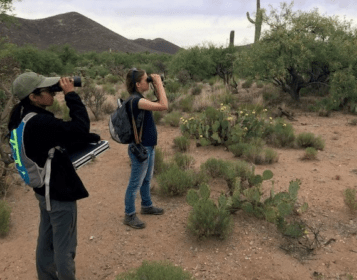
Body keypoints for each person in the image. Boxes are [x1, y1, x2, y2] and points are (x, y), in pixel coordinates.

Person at [8, 72, 99, 280]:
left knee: (46, 240)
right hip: (58, 194)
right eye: (48, 90)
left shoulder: (20, 114)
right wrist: (71, 95)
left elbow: (49, 141)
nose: (53, 93)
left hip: (42, 189)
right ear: (33, 96)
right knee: (64, 247)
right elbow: (80, 127)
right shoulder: (40, 123)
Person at [123, 68, 168, 229]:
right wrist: (159, 83)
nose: (147, 82)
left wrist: (156, 85)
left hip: (148, 147)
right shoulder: (136, 101)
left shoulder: (140, 99)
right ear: (137, 84)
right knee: (135, 183)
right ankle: (129, 215)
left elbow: (158, 103)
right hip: (141, 149)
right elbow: (163, 105)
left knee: (146, 180)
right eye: (145, 80)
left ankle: (147, 205)